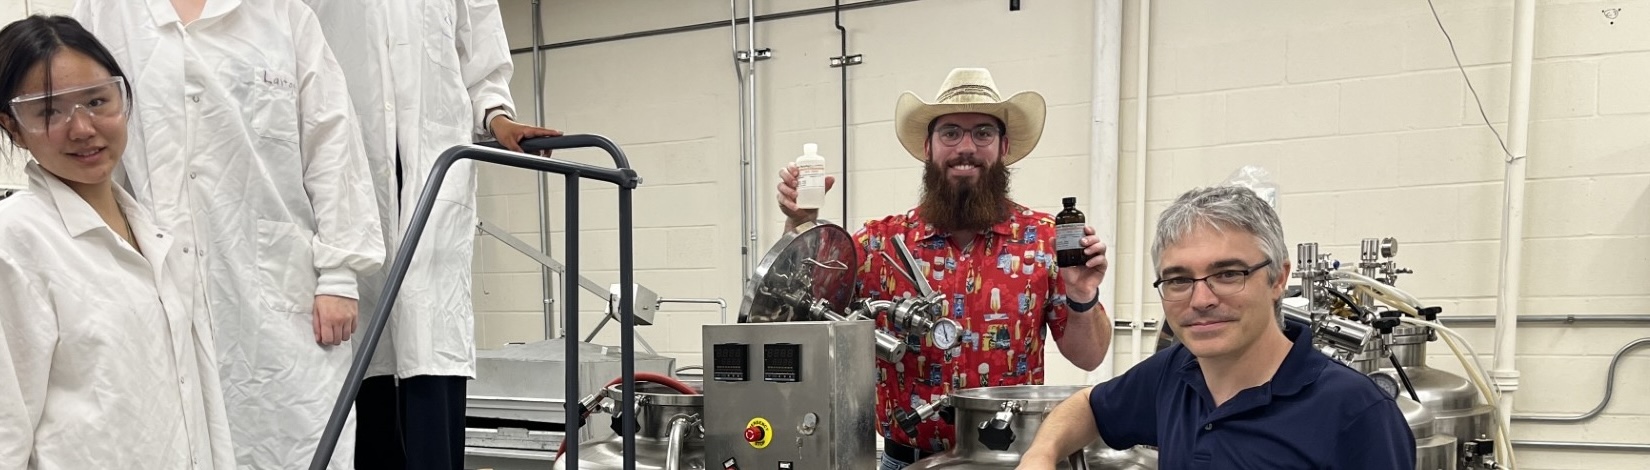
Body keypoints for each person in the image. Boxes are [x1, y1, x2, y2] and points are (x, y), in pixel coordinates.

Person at [71, 0, 387, 467]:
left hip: (279, 295)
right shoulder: (103, 12)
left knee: (291, 441)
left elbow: (333, 142)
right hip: (151, 282)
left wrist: (340, 274)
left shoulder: (284, 16)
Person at [776, 67, 1113, 470]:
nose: (965, 147)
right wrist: (799, 225)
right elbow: (796, 314)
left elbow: (1089, 356)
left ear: (1004, 146)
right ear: (928, 147)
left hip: (1011, 462)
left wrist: (1081, 295)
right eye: (950, 132)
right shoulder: (878, 245)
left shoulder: (1044, 241)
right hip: (906, 460)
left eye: (982, 133)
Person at [297, 0, 562, 467]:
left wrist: (497, 115)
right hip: (347, 179)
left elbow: (482, 56)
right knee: (360, 371)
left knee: (429, 355)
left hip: (434, 178)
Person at [1014, 186, 1415, 469]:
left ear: (1278, 279)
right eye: (1178, 279)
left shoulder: (1356, 414)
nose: (1201, 299)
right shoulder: (1175, 373)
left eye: (1227, 274)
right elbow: (1087, 407)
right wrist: (1041, 454)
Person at [0, 15, 233, 468]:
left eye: (96, 101)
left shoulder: (152, 232)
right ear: (13, 127)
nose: (83, 128)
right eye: (49, 111)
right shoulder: (15, 243)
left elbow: (190, 399)